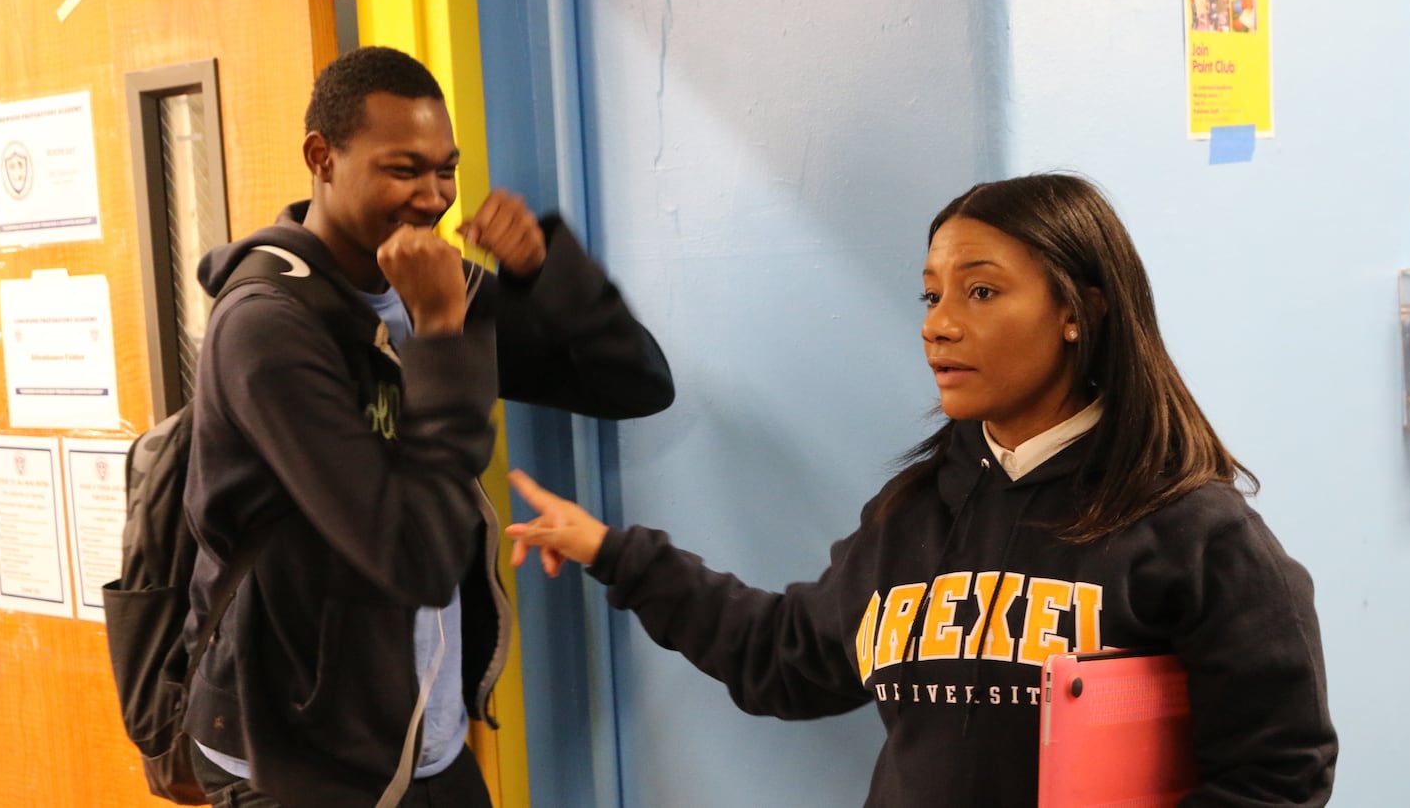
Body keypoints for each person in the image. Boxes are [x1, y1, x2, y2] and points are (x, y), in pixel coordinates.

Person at [505, 173, 1337, 806]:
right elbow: (784, 659)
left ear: (1078, 311)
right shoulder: (910, 518)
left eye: (982, 291)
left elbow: (1278, 772)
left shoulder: (1194, 532)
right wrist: (613, 552)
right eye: (932, 295)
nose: (939, 323)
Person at [181, 45, 675, 807]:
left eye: (446, 170)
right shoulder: (268, 327)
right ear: (321, 157)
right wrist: (443, 333)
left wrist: (543, 272)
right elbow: (412, 557)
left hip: (422, 740)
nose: (434, 196)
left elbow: (635, 383)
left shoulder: (436, 287)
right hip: (296, 760)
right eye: (403, 169)